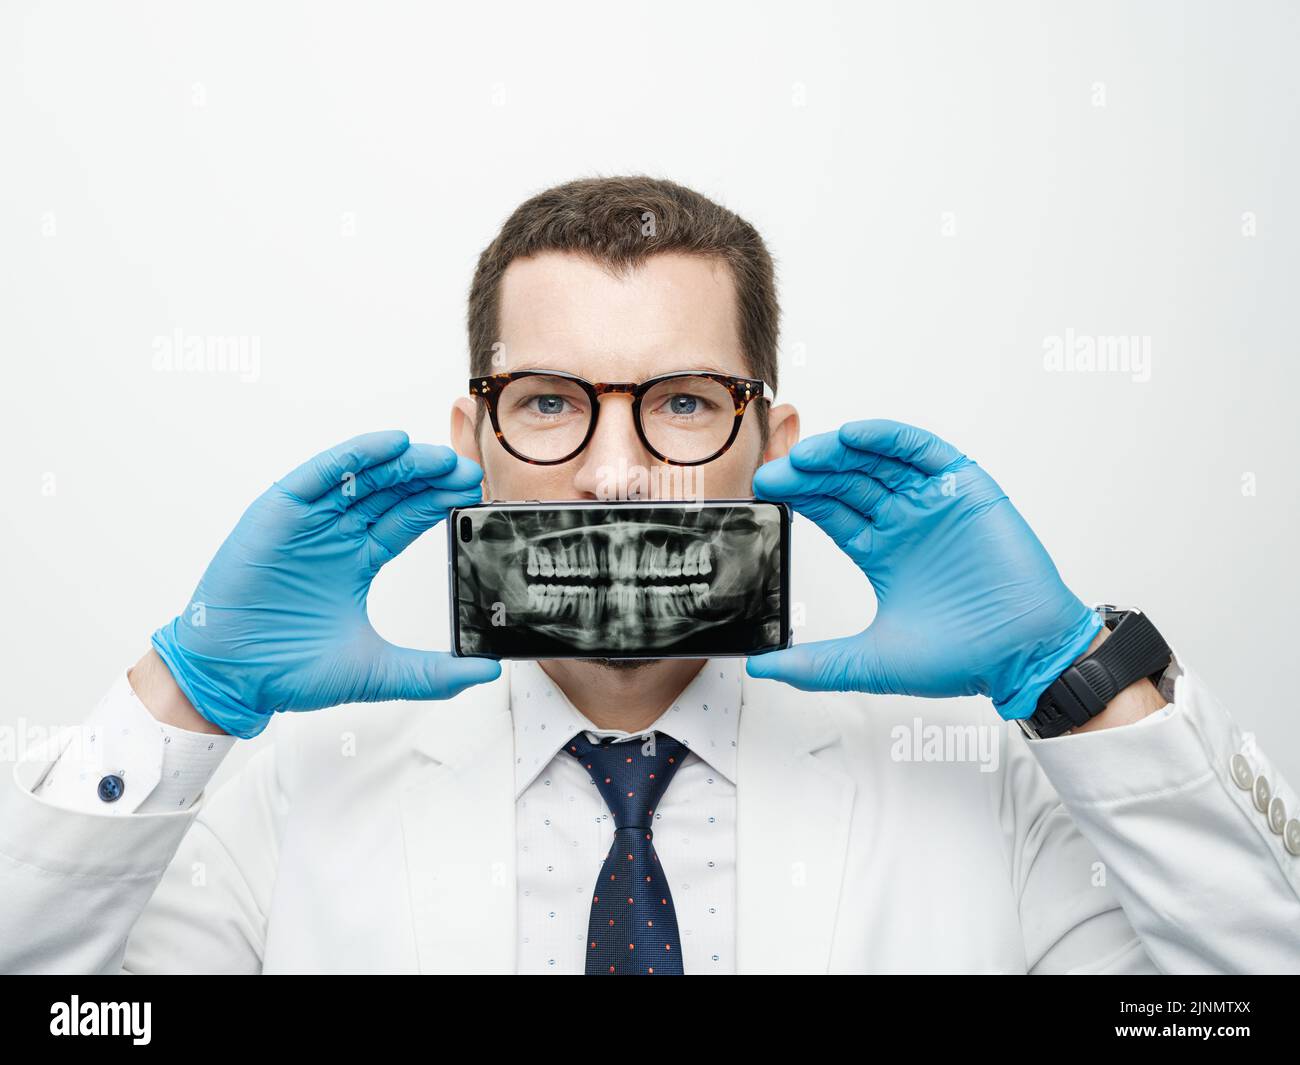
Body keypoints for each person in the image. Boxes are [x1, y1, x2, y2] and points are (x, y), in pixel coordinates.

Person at [2, 176, 1296, 974]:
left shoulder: (984, 788)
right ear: (478, 442)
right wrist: (181, 694)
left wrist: (1081, 677)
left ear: (767, 443)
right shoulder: (289, 793)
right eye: (553, 400)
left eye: (680, 401)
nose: (617, 473)